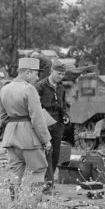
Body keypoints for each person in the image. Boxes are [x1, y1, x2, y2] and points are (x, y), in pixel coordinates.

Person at [0, 57, 52, 200]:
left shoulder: (4, 89)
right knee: (39, 170)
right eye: (35, 73)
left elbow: (3, 117)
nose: (37, 77)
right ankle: (35, 204)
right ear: (27, 73)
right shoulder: (29, 89)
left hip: (10, 137)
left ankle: (13, 203)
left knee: (15, 172)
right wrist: (46, 140)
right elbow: (37, 118)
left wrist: (14, 124)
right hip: (29, 138)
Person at [34, 62, 70, 193]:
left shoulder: (61, 87)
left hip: (57, 124)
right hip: (44, 123)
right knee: (47, 153)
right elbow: (35, 107)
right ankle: (48, 184)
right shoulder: (40, 86)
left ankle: (49, 180)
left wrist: (65, 115)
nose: (61, 76)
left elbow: (63, 104)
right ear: (52, 71)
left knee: (55, 155)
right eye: (59, 73)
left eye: (63, 74)